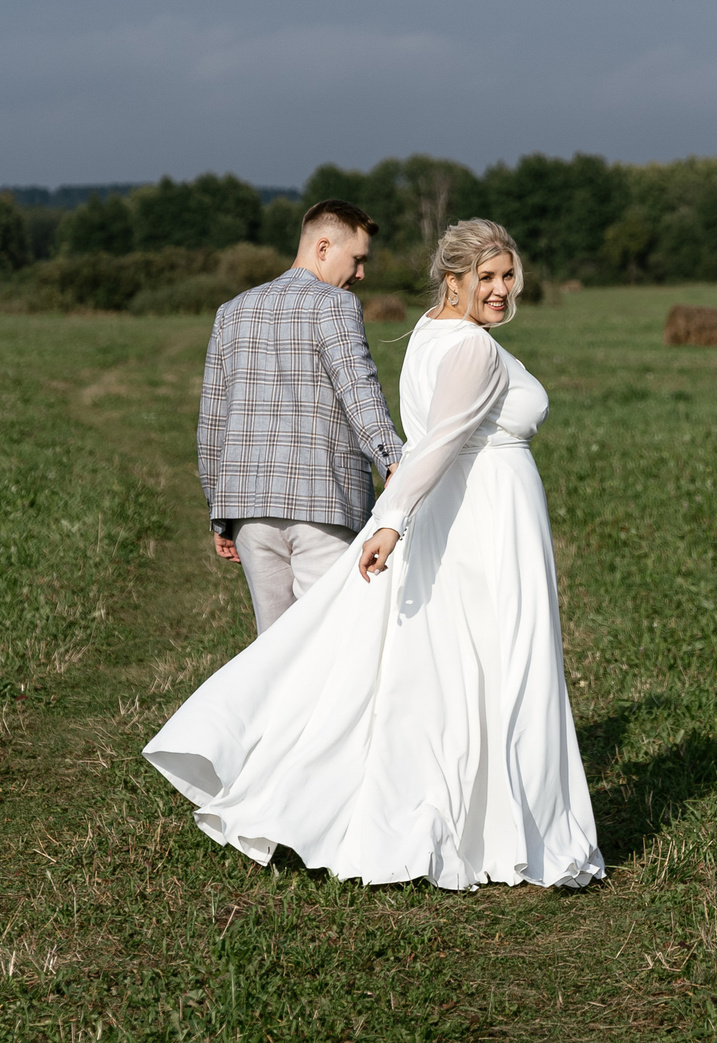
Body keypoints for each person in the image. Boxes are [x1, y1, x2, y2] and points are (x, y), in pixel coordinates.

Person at [145, 218, 605, 891]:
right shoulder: (469, 348)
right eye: (488, 277)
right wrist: (389, 519)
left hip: (462, 516)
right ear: (454, 280)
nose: (503, 290)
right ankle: (507, 830)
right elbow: (438, 443)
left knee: (412, 666)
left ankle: (483, 819)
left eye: (509, 276)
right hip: (485, 522)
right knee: (501, 666)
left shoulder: (427, 333)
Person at [196, 198, 404, 638]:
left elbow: (212, 421)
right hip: (323, 503)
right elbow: (359, 388)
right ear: (323, 247)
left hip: (247, 508)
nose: (362, 274)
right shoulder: (335, 304)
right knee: (330, 645)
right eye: (358, 259)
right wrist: (394, 462)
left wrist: (219, 510)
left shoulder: (231, 311)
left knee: (275, 649)